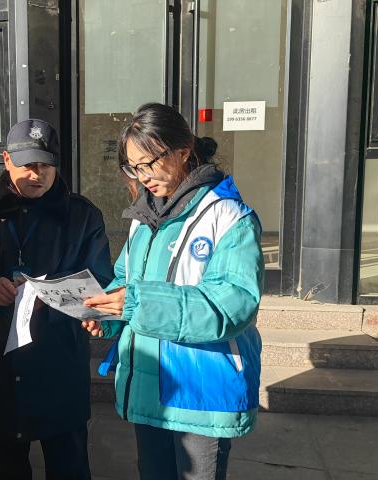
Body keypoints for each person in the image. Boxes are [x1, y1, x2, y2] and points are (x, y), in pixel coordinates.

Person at [82, 103, 264, 480]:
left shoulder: (228, 216)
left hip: (201, 391)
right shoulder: (144, 217)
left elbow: (232, 304)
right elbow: (126, 279)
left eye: (149, 163)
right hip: (148, 383)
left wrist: (136, 303)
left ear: (183, 151)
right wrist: (108, 313)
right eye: (134, 167)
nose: (143, 176)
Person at [0, 119, 112, 480]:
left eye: (45, 165)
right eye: (27, 165)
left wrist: (63, 300)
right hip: (2, 368)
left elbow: (102, 281)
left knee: (69, 467)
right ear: (7, 160)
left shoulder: (82, 216)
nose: (36, 174)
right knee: (5, 467)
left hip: (61, 364)